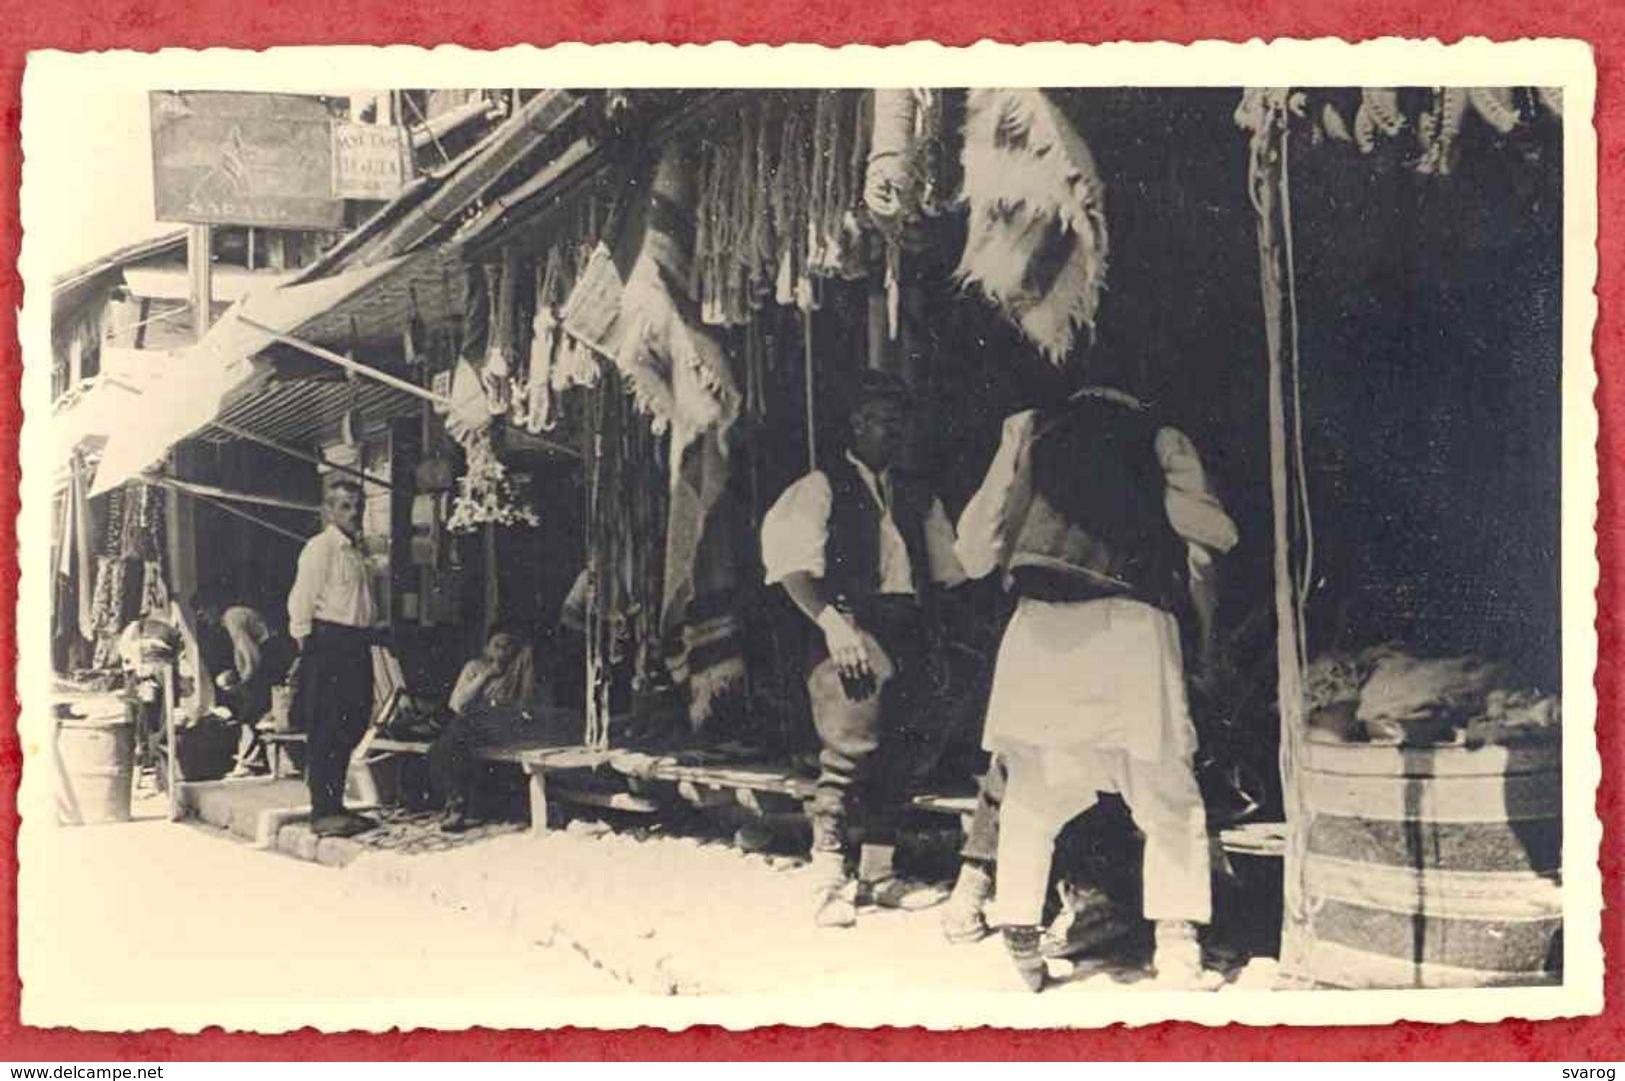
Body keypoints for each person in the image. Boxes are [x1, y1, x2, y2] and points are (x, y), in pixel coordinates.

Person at [954, 379, 1238, 991]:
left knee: (1036, 791)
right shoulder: (1161, 436)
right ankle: (1179, 951)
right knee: (1165, 792)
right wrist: (1207, 641)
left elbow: (975, 548)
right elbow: (1208, 544)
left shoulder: (1031, 427)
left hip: (1038, 632)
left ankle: (1022, 942)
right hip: (1128, 628)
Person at [760, 369, 967, 928]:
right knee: (849, 752)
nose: (892, 432)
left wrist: (937, 636)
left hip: (906, 628)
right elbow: (791, 569)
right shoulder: (821, 487)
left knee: (902, 751)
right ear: (855, 423)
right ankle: (827, 875)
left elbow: (947, 569)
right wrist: (834, 626)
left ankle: (878, 874)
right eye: (880, 420)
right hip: (850, 629)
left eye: (900, 422)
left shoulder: (917, 494)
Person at [287, 479, 380, 839]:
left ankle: (335, 806)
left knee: (353, 721)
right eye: (344, 506)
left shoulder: (355, 552)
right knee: (327, 727)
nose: (353, 513)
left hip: (355, 643)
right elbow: (300, 601)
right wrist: (310, 650)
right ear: (328, 511)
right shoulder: (320, 548)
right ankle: (323, 812)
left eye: (358, 506)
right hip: (328, 644)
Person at [427, 623, 541, 832]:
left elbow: (526, 703)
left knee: (452, 744)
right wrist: (486, 675)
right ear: (486, 648)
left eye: (508, 646)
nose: (502, 651)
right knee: (442, 748)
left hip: (498, 727)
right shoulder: (474, 667)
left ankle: (459, 806)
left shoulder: (517, 669)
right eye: (497, 646)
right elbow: (457, 703)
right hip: (468, 723)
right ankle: (457, 803)